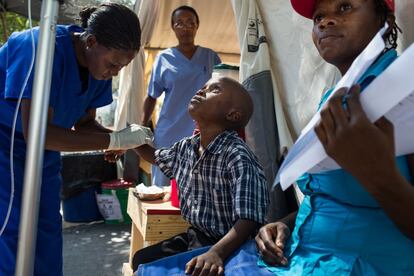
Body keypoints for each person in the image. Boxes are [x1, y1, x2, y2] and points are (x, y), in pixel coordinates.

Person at [254, 0, 414, 275]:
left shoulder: (404, 93)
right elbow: (325, 196)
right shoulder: (333, 97)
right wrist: (285, 225)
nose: (325, 22)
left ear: (384, 20)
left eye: (344, 7)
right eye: (318, 16)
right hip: (299, 259)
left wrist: (379, 177)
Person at [0, 4, 153, 275]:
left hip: (44, 151)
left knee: (46, 228)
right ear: (91, 41)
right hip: (6, 144)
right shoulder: (38, 47)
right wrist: (113, 140)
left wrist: (126, 141)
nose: (115, 72)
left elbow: (84, 125)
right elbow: (38, 132)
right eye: (114, 64)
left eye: (123, 66)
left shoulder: (99, 68)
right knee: (9, 227)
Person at [130, 77, 269, 275]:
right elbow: (154, 156)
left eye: (215, 89)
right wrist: (128, 140)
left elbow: (248, 221)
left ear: (232, 114)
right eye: (203, 87)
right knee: (141, 259)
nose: (202, 91)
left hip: (232, 246)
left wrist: (216, 253)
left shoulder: (237, 156)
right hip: (197, 236)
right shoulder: (187, 146)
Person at [141, 5, 221, 187]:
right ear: (173, 27)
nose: (185, 28)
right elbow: (151, 96)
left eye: (190, 23)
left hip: (202, 132)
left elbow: (221, 92)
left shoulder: (211, 57)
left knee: (197, 184)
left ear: (197, 26)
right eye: (180, 24)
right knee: (164, 185)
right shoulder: (163, 59)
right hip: (169, 132)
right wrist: (143, 126)